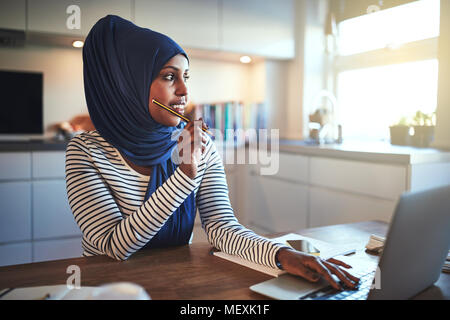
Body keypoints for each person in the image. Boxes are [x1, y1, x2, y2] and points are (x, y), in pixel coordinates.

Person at [65, 15, 359, 291]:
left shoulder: (198, 145)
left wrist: (283, 256)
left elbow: (223, 229)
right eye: (169, 77)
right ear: (128, 84)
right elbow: (114, 247)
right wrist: (185, 175)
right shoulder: (85, 151)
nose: (184, 91)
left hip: (176, 284)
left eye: (186, 77)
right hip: (107, 289)